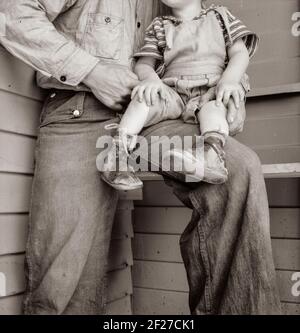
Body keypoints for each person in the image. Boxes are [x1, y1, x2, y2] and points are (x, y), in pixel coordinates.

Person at [0, 0, 281, 315]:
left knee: (238, 168)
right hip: (80, 110)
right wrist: (92, 71)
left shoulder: (175, 6)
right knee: (65, 275)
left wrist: (229, 92)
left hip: (157, 117)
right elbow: (10, 14)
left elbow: (212, 53)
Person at [102, 0, 257, 191]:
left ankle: (210, 155)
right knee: (143, 98)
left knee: (215, 108)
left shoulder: (220, 17)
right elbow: (144, 64)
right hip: (172, 90)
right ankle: (117, 156)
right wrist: (151, 80)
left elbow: (240, 53)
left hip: (209, 90)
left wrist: (230, 80)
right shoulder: (159, 25)